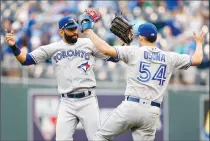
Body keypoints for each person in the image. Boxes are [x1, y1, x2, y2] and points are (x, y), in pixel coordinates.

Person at [81, 18, 205, 140]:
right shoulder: (169, 57)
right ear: (156, 38)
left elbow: (106, 49)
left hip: (132, 106)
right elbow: (197, 59)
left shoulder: (134, 52)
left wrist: (88, 32)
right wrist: (199, 43)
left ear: (140, 37)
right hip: (152, 111)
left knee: (101, 136)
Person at [4, 15, 117, 141]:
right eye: (70, 29)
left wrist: (121, 44)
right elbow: (25, 60)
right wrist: (14, 47)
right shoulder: (53, 48)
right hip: (66, 102)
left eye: (75, 28)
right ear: (61, 32)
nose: (75, 32)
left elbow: (113, 56)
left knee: (98, 139)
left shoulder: (88, 44)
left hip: (87, 100)